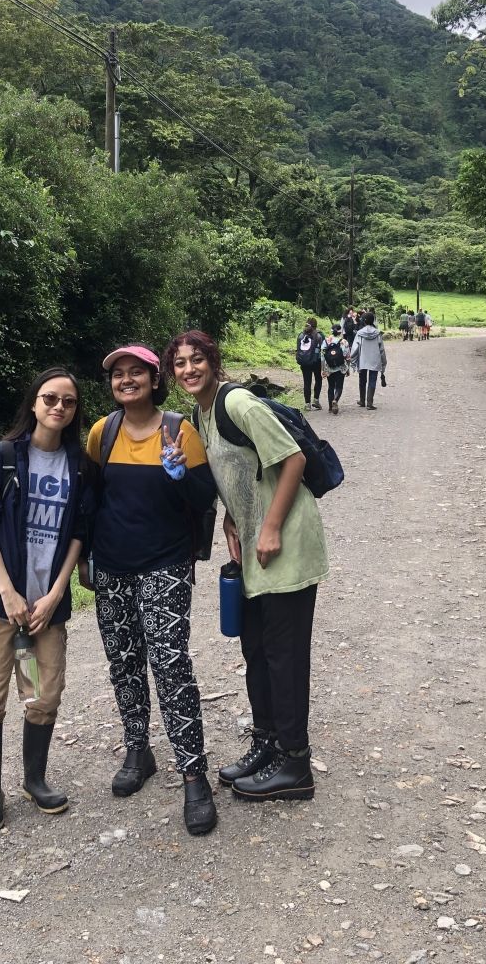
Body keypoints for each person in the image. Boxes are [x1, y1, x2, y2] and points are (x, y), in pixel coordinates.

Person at [165, 329, 328, 804]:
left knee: (285, 653)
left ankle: (295, 763)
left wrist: (271, 526)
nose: (189, 369)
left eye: (197, 359)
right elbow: (233, 475)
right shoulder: (201, 414)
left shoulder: (239, 404)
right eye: (180, 363)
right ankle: (268, 745)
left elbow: (293, 460)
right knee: (256, 650)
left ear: (214, 362)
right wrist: (233, 523)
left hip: (287, 544)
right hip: (253, 547)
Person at [0, 367, 93, 836]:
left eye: (68, 402)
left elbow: (80, 531)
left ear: (75, 412)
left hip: (45, 605)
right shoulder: (5, 458)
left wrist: (55, 592)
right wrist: (8, 593)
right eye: (50, 398)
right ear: (34, 404)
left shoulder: (79, 464)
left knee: (44, 694)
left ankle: (35, 779)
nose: (58, 407)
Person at [86, 344, 218, 836]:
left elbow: (207, 499)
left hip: (164, 564)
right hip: (113, 566)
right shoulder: (103, 433)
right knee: (123, 660)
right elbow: (92, 501)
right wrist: (86, 559)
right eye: (118, 374)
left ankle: (193, 774)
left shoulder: (179, 430)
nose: (126, 380)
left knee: (170, 665)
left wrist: (180, 473)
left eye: (135, 372)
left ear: (154, 378)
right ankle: (138, 749)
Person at [349, 310, 387, 410]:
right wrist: (384, 363)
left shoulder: (359, 333)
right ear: (373, 321)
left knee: (362, 380)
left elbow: (355, 349)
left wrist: (352, 361)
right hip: (375, 360)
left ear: (364, 321)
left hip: (363, 360)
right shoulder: (378, 333)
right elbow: (381, 350)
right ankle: (370, 403)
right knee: (372, 380)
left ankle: (362, 401)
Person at [295, 316, 325, 410]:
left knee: (307, 382)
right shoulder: (319, 335)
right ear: (315, 325)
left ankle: (307, 404)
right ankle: (316, 400)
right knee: (318, 380)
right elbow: (323, 349)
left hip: (304, 362)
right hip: (316, 362)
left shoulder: (301, 335)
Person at [320, 323, 350, 415]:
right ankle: (335, 400)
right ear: (340, 332)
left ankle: (330, 407)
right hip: (341, 367)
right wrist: (347, 368)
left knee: (331, 386)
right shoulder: (344, 342)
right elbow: (347, 357)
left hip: (329, 367)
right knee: (339, 386)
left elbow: (322, 356)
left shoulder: (326, 341)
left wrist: (323, 369)